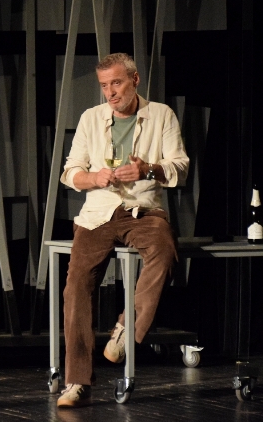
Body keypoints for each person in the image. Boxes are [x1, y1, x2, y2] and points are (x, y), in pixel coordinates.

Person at [57, 53, 189, 408]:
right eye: (104, 86)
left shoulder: (161, 115)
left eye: (116, 83)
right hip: (98, 213)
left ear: (135, 80)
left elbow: (180, 167)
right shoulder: (91, 118)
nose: (110, 93)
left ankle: (126, 328)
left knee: (164, 250)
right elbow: (70, 172)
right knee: (76, 285)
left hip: (142, 210)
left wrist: (148, 170)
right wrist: (93, 178)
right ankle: (77, 382)